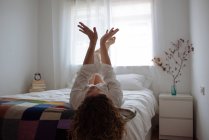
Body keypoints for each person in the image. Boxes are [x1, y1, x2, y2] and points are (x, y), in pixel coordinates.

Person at [70, 22, 125, 140]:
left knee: (91, 73)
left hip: (92, 84)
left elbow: (84, 72)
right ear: (107, 98)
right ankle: (104, 48)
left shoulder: (76, 101)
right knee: (98, 75)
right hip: (105, 85)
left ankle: (98, 52)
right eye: (98, 92)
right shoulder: (115, 98)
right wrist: (102, 43)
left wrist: (92, 43)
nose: (93, 87)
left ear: (83, 103)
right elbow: (108, 72)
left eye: (89, 92)